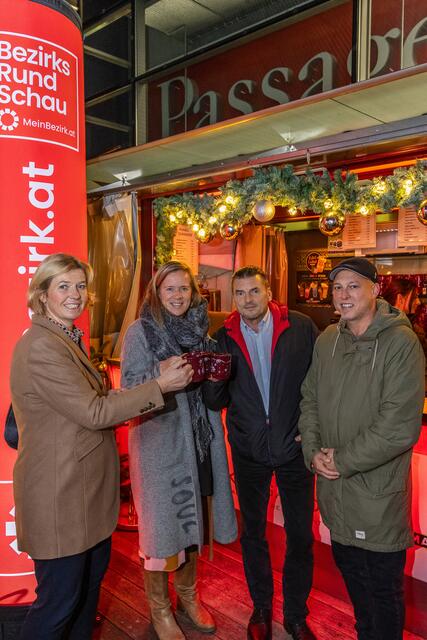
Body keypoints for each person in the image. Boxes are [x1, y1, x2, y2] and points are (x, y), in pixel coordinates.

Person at [10, 253, 193, 640]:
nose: (75, 294)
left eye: (80, 285)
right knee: (58, 606)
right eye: (63, 286)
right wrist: (158, 386)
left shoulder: (66, 337)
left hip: (85, 498)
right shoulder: (42, 346)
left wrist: (141, 387)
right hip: (61, 499)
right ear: (42, 295)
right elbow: (93, 412)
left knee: (84, 601)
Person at [299, 257, 425, 640]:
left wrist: (342, 460)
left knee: (383, 592)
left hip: (377, 494)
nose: (344, 294)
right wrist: (314, 452)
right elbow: (310, 401)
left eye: (354, 286)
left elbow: (398, 427)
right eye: (338, 287)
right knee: (354, 581)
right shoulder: (326, 340)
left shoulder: (401, 343)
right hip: (335, 492)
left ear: (375, 288)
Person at [121, 260, 237, 640]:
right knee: (161, 529)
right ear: (156, 291)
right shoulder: (141, 332)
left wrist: (218, 375)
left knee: (193, 521)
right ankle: (160, 610)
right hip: (160, 443)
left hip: (200, 442)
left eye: (183, 289)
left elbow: (210, 394)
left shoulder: (203, 331)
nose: (177, 296)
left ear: (193, 292)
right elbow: (129, 389)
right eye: (169, 288)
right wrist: (162, 376)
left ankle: (188, 597)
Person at [203, 265, 319, 640]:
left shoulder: (300, 327)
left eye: (255, 291)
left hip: (293, 448)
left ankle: (297, 615)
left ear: (269, 292)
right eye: (241, 293)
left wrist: (312, 430)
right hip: (249, 450)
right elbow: (214, 399)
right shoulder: (223, 337)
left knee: (300, 535)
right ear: (233, 298)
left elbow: (320, 386)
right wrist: (214, 376)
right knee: (253, 533)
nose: (248, 299)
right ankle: (262, 609)